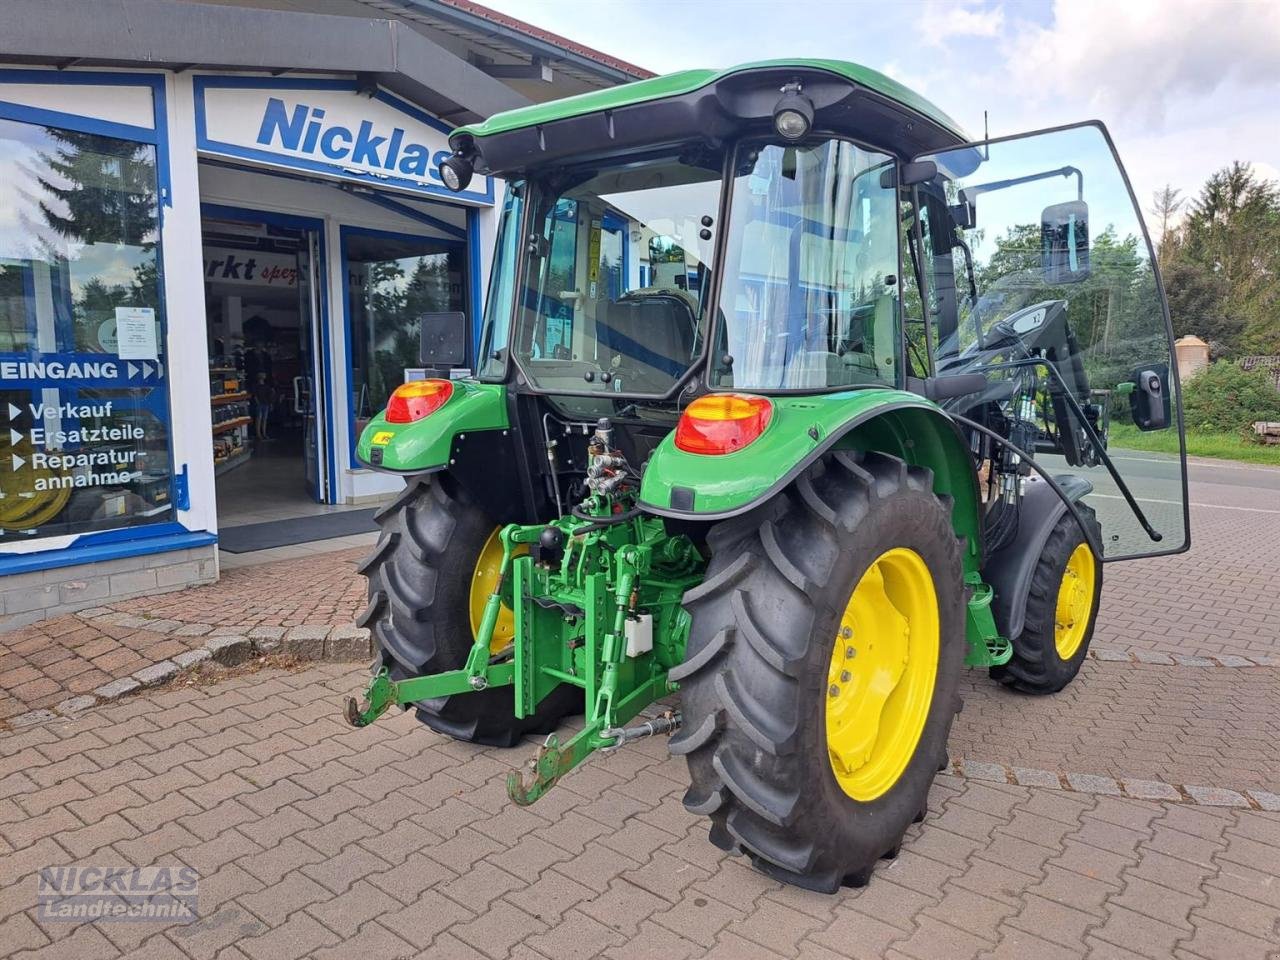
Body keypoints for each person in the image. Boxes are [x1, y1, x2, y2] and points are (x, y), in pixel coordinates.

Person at [253, 372, 274, 441]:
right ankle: (260, 434)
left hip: (264, 403)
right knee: (261, 419)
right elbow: (255, 396)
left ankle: (262, 434)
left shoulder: (264, 386)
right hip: (262, 403)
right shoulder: (260, 386)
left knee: (262, 419)